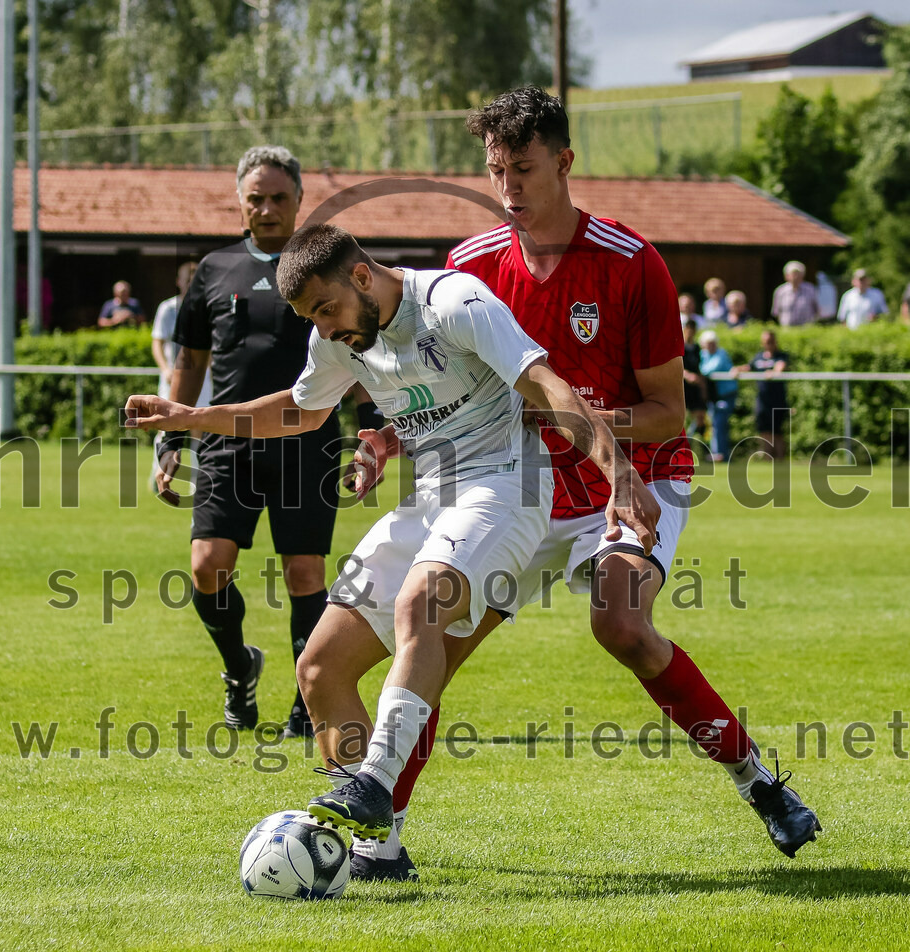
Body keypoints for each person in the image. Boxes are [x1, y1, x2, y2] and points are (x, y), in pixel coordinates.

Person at [349, 86, 820, 875]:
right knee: (436, 641)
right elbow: (454, 396)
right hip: (519, 487)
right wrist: (393, 435)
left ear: (565, 163)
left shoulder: (634, 265)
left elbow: (669, 413)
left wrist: (578, 423)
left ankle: (758, 780)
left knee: (622, 626)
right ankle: (382, 835)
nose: (509, 190)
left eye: (524, 170)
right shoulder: (471, 267)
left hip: (635, 478)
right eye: (497, 172)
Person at [125, 221, 660, 855]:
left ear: (360, 276)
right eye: (311, 319)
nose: (324, 329)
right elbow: (301, 409)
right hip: (431, 498)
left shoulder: (454, 302)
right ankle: (373, 852)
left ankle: (375, 787)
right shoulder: (336, 337)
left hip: (507, 488)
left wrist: (619, 472)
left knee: (419, 602)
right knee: (319, 667)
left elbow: (547, 386)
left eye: (326, 310)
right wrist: (192, 416)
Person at [153, 145, 343, 739]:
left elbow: (361, 352)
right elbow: (189, 360)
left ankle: (308, 701)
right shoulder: (213, 270)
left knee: (305, 573)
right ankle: (240, 668)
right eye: (255, 198)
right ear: (240, 201)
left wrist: (369, 434)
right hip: (227, 443)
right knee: (208, 566)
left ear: (299, 201)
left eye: (278, 198)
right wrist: (170, 440)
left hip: (308, 442)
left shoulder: (329, 264)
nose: (266, 209)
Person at [149, 261, 211, 490]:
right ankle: (159, 475)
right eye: (187, 281)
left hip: (201, 379)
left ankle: (199, 480)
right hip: (172, 379)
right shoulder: (168, 309)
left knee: (200, 428)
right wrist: (165, 369)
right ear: (179, 282)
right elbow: (158, 342)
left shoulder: (207, 309)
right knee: (166, 425)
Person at [733, 330, 789, 459]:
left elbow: (781, 366)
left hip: (778, 399)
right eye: (766, 342)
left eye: (770, 341)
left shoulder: (780, 356)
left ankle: (780, 459)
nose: (768, 344)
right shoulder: (758, 357)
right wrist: (737, 369)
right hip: (762, 400)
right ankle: (768, 458)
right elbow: (748, 367)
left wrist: (774, 372)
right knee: (764, 431)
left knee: (778, 432)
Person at [699, 329, 738, 463]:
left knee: (720, 423)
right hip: (713, 396)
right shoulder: (703, 354)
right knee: (713, 424)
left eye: (712, 343)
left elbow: (708, 369)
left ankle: (721, 454)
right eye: (708, 343)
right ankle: (716, 453)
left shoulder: (721, 354)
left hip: (726, 394)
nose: (711, 346)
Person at [681, 318, 708, 452]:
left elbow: (699, 368)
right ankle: (683, 446)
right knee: (682, 419)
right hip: (683, 387)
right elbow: (678, 367)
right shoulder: (681, 347)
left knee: (700, 418)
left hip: (695, 386)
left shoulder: (696, 348)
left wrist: (702, 387)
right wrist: (687, 375)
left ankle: (695, 446)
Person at [771, 261, 818, 327]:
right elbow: (776, 313)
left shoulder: (810, 289)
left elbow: (818, 310)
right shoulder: (780, 291)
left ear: (803, 275)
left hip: (807, 330)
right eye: (793, 273)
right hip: (787, 330)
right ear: (786, 276)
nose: (796, 276)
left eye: (798, 273)